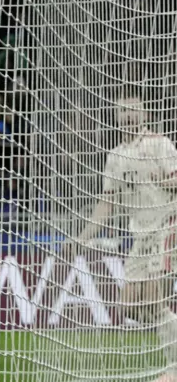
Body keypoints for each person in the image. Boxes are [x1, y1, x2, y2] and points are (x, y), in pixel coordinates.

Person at [68, 95, 177, 380]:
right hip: (139, 237)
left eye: (133, 111)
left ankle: (175, 368)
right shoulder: (115, 156)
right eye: (123, 112)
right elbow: (106, 205)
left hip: (166, 227)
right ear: (116, 118)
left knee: (154, 298)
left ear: (145, 115)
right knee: (128, 306)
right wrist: (82, 239)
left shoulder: (159, 144)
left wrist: (166, 181)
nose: (128, 116)